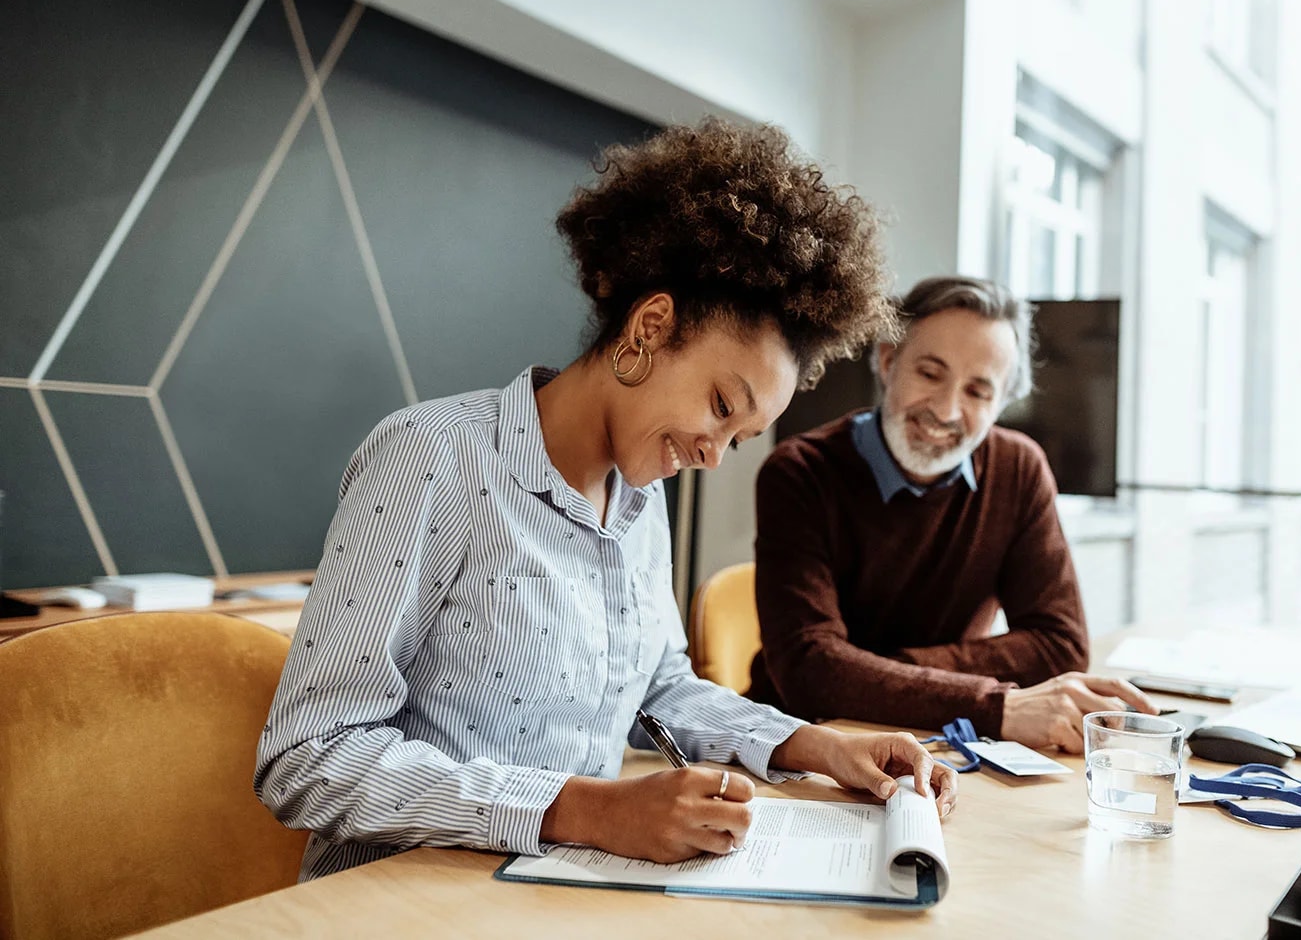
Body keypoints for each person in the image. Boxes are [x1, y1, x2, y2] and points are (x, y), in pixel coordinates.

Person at [255, 119, 956, 882]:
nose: (714, 457)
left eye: (742, 438)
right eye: (722, 406)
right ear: (650, 326)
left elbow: (660, 687)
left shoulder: (638, 498)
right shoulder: (436, 459)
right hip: (400, 903)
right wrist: (585, 809)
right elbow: (309, 757)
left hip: (557, 897)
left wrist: (812, 744)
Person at [748, 276, 1157, 752]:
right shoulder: (800, 473)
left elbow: (1059, 648)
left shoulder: (1018, 468)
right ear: (887, 361)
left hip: (943, 743)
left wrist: (870, 668)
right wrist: (994, 705)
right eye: (930, 373)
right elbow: (808, 672)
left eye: (978, 392)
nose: (945, 409)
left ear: (1001, 404)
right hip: (807, 746)